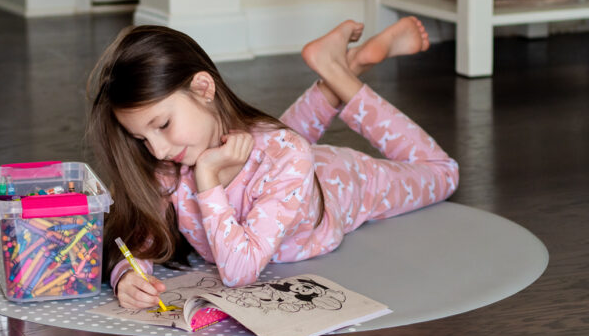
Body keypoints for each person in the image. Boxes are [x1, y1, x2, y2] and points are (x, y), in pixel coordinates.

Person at [87, 18, 459, 310]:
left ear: (203, 88)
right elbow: (139, 236)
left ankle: (341, 74)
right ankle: (344, 64)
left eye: (163, 125)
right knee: (281, 142)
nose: (156, 150)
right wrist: (125, 276)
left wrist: (207, 178)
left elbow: (238, 271)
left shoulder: (282, 156)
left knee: (441, 172)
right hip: (278, 162)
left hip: (338, 184)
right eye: (141, 138)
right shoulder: (170, 164)